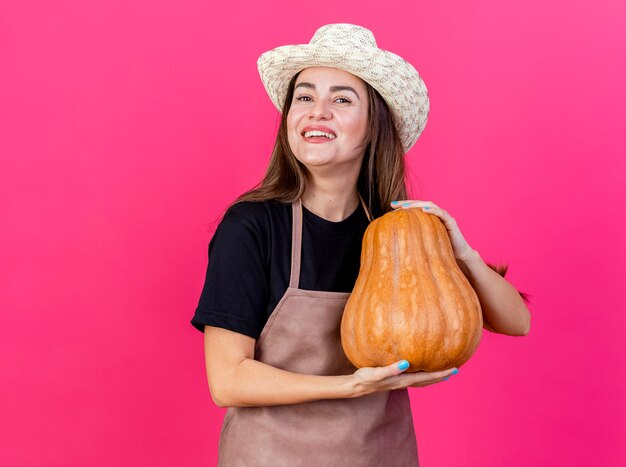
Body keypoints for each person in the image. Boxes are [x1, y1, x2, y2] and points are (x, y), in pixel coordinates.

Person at [191, 23, 530, 466]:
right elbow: (228, 380)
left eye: (342, 99)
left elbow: (517, 321)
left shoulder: (401, 230)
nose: (317, 111)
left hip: (380, 456)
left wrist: (461, 250)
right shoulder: (252, 225)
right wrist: (353, 385)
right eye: (305, 97)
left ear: (374, 127)